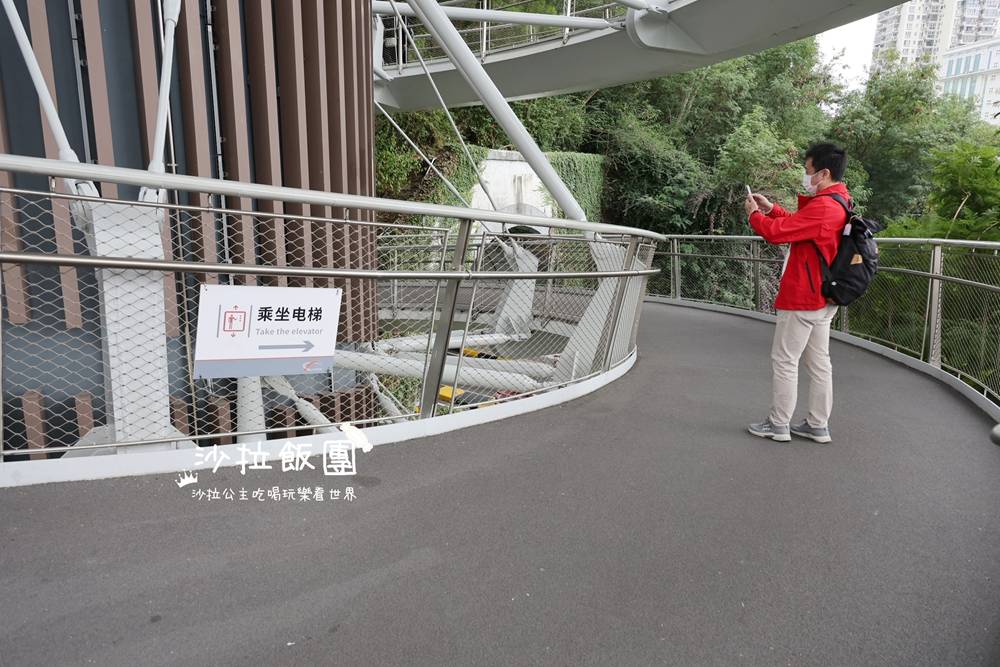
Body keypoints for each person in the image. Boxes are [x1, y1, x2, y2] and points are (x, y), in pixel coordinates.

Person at [743, 143, 851, 444]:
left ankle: (778, 424)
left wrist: (754, 215)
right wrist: (772, 210)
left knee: (785, 360)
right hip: (823, 298)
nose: (807, 177)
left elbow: (778, 233)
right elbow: (799, 226)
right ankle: (817, 425)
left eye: (808, 171)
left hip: (804, 296)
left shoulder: (824, 206)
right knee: (819, 363)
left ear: (824, 173)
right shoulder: (840, 202)